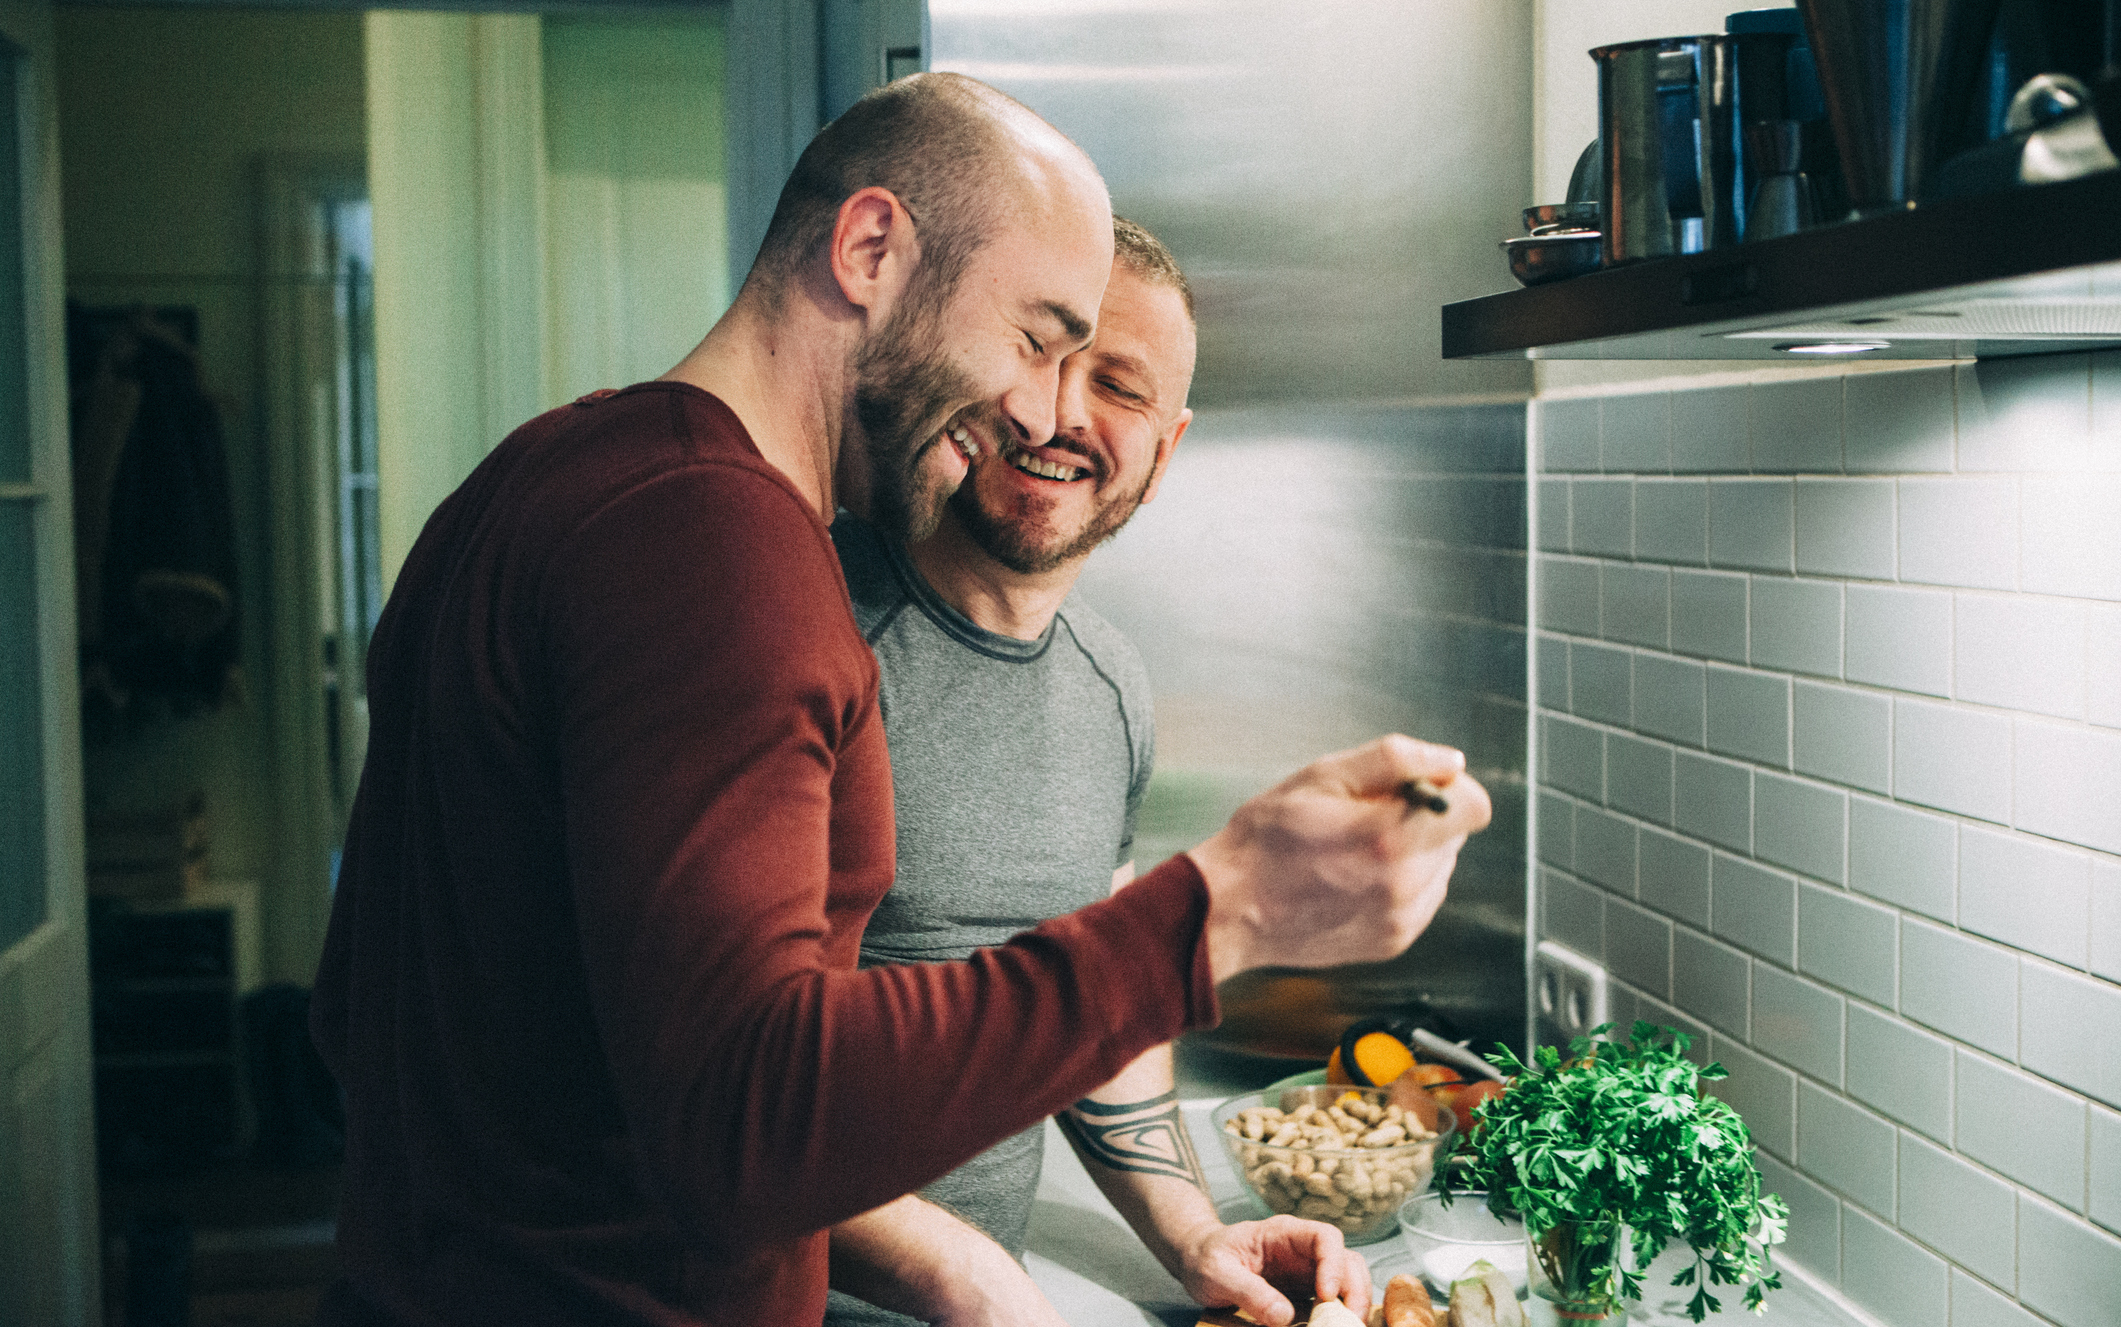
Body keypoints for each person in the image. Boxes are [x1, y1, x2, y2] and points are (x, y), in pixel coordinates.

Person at [311, 72, 1489, 1327]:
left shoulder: (552, 470)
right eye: (1036, 338)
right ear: (870, 248)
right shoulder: (721, 553)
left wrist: (1181, 1221)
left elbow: (357, 1007)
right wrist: (1222, 909)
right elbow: (745, 1128)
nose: (1037, 408)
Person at [825, 217, 1370, 1327]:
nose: (1062, 413)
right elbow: (699, 1071)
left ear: (1163, 454)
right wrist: (962, 1276)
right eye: (1039, 359)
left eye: (1117, 385)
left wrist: (1198, 1235)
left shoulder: (1109, 687)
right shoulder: (808, 631)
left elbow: (1095, 1015)